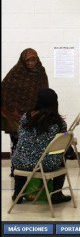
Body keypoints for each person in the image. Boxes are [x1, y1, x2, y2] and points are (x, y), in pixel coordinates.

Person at [11, 88, 71, 204]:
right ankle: (57, 194)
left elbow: (20, 136)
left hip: (19, 162)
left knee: (23, 154)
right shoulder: (59, 123)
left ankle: (17, 194)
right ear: (55, 103)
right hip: (45, 165)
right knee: (63, 156)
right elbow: (63, 142)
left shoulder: (25, 117)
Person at [2, 48, 49, 176]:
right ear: (23, 61)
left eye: (33, 60)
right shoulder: (16, 72)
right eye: (28, 60)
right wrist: (11, 108)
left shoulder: (41, 72)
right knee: (17, 143)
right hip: (15, 116)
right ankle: (15, 169)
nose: (31, 63)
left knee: (31, 141)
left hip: (34, 115)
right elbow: (4, 89)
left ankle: (29, 167)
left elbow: (44, 92)